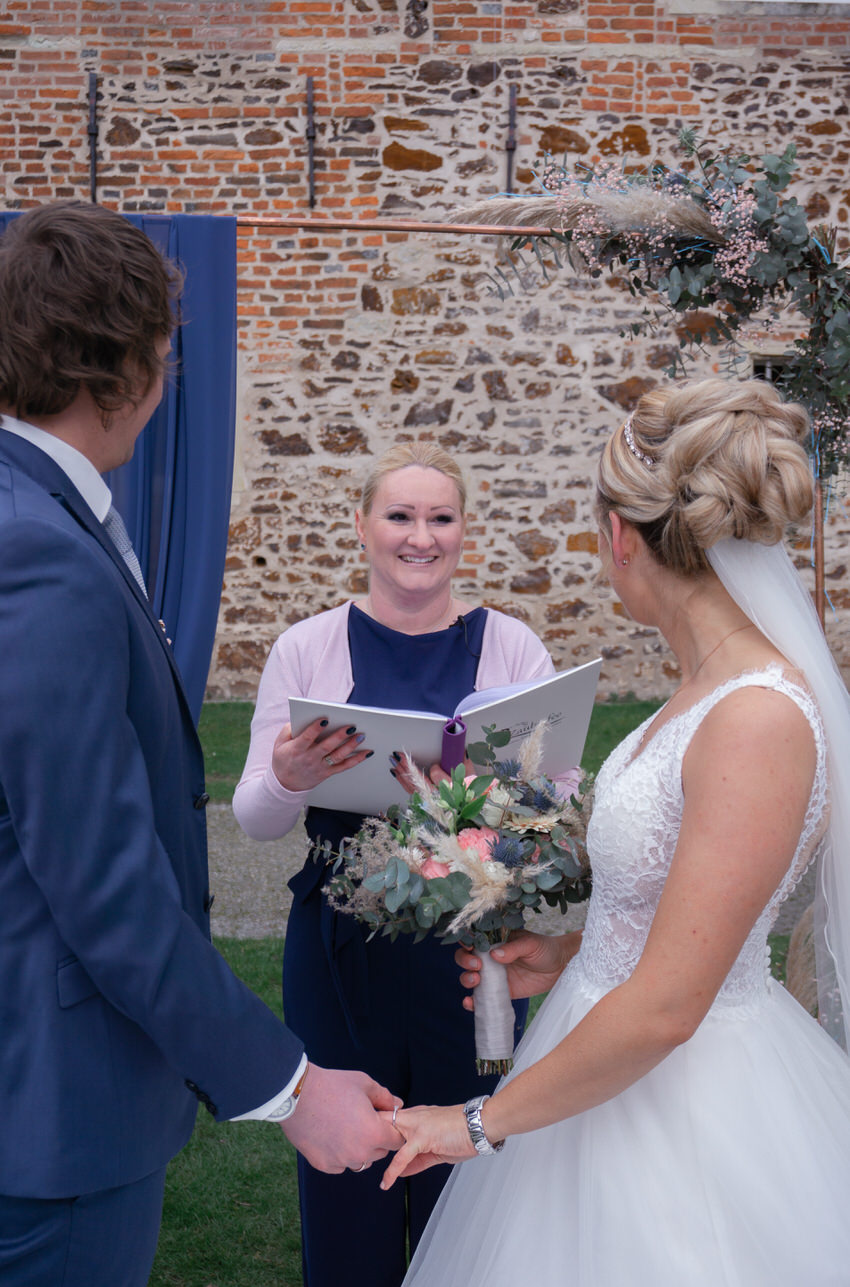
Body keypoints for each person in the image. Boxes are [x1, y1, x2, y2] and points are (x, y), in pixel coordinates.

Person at [0, 202, 400, 1287]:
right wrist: (282, 1081)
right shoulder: (40, 552)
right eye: (167, 356)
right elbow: (100, 877)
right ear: (126, 370)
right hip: (48, 1109)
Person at [381, 378, 850, 1286]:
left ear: (622, 536)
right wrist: (571, 953)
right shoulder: (704, 685)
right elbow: (677, 907)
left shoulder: (755, 715)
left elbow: (675, 1003)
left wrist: (475, 1122)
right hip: (600, 1051)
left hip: (690, 1104)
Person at [233, 440, 580, 1287]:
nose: (419, 536)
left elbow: (558, 809)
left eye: (440, 517)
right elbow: (253, 818)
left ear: (464, 531)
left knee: (467, 1167)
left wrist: (485, 801)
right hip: (339, 944)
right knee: (348, 1162)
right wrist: (288, 775)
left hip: (475, 952)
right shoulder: (307, 646)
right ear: (361, 526)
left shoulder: (512, 647)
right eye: (399, 515)